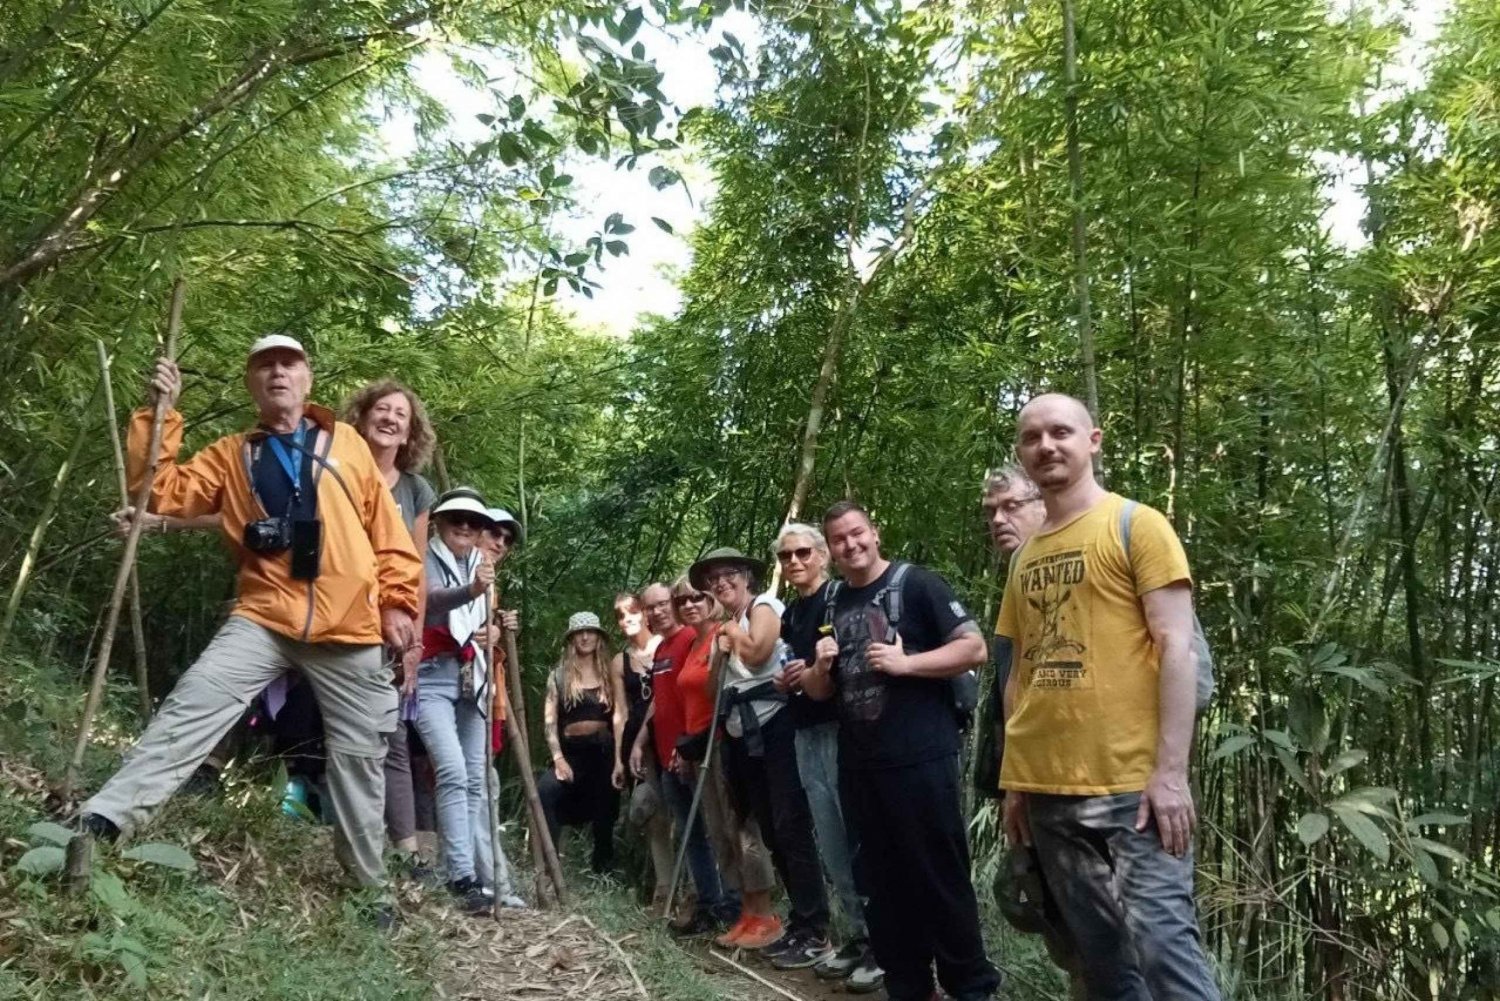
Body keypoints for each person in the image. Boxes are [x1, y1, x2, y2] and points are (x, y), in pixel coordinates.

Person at [76, 335, 421, 925]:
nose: (278, 373)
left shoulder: (349, 446)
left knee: (360, 759)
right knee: (192, 704)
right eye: (265, 366)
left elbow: (388, 534)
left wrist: (397, 605)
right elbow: (160, 491)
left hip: (348, 625)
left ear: (309, 379)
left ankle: (371, 888)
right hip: (266, 613)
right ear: (252, 384)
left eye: (289, 363)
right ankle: (105, 818)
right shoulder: (233, 454)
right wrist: (160, 414)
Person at [998, 394, 1220, 1001]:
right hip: (1048, 791)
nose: (1046, 445)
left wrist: (1170, 773)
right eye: (1032, 437)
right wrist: (1015, 782)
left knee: (1166, 956)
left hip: (1133, 788)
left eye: (1060, 432)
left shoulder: (1136, 524)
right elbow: (1022, 673)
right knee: (1105, 968)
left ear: (1093, 440)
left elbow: (1179, 647)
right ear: (1021, 451)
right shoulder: (1026, 555)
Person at [802, 501, 1002, 1001]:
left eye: (857, 534)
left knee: (940, 878)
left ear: (875, 532)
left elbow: (973, 648)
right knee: (881, 885)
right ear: (832, 549)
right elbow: (817, 692)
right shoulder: (831, 604)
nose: (851, 545)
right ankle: (908, 986)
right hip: (860, 766)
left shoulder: (918, 584)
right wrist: (820, 668)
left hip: (922, 760)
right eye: (840, 540)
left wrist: (906, 662)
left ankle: (969, 987)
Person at [691, 546, 829, 959]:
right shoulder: (729, 624)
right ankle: (802, 923)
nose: (720, 582)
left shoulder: (765, 605)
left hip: (776, 726)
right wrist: (720, 649)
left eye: (729, 574)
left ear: (747, 577)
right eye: (713, 578)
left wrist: (732, 638)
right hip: (741, 732)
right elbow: (715, 688)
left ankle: (816, 927)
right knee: (770, 830)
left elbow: (758, 656)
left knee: (791, 826)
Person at [773, 523, 882, 990]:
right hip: (804, 731)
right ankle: (854, 936)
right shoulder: (793, 613)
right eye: (785, 557)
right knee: (832, 843)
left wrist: (819, 668)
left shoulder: (840, 598)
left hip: (843, 731)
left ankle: (884, 942)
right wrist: (787, 679)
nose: (794, 562)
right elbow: (792, 666)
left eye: (802, 553)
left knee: (859, 840)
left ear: (821, 554)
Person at [341, 379, 437, 875]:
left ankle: (405, 847)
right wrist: (164, 520)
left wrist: (415, 644)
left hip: (387, 623)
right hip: (329, 606)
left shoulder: (416, 491)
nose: (391, 418)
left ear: (410, 432)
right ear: (361, 417)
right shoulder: (334, 468)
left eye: (401, 414)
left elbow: (416, 569)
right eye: (382, 408)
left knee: (391, 732)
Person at [413, 487, 524, 913]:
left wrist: (495, 628)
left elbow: (480, 621)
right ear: (438, 521)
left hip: (471, 681)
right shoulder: (425, 557)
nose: (465, 527)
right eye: (456, 518)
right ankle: (460, 877)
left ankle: (478, 877)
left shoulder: (480, 566)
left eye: (473, 522)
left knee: (476, 778)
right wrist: (474, 591)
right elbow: (432, 598)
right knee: (453, 772)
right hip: (429, 678)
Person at [672, 579, 779, 949]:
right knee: (721, 834)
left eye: (696, 597)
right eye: (681, 599)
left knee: (743, 829)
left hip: (726, 740)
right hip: (700, 749)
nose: (689, 604)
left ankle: (764, 914)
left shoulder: (727, 630)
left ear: (711, 600)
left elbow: (744, 675)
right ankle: (746, 914)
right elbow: (697, 696)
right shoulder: (694, 644)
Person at [628, 581, 735, 933]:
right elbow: (662, 700)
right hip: (667, 755)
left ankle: (728, 906)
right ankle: (708, 904)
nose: (657, 612)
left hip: (693, 751)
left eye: (663, 604)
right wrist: (642, 739)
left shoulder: (693, 637)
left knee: (715, 829)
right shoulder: (661, 650)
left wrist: (683, 745)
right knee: (690, 835)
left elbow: (701, 696)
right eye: (651, 607)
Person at [538, 611, 626, 873]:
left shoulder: (611, 675)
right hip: (571, 753)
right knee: (546, 791)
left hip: (603, 751)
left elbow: (621, 716)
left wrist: (619, 759)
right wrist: (558, 758)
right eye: (580, 632)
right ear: (572, 638)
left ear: (599, 638)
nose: (585, 636)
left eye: (590, 632)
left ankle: (603, 868)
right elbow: (550, 722)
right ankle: (550, 865)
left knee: (606, 807)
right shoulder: (558, 676)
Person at [612, 592, 674, 913]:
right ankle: (663, 890)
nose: (628, 619)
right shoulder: (619, 661)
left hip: (668, 735)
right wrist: (617, 760)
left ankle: (692, 889)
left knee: (681, 809)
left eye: (633, 611)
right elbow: (620, 712)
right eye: (621, 615)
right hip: (637, 747)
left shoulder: (667, 644)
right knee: (654, 815)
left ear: (645, 614)